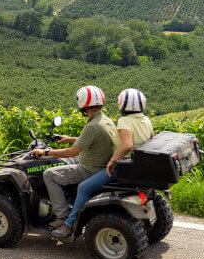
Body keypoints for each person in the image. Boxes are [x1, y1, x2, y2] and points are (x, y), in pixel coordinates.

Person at [49, 88, 154, 237]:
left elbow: (127, 144)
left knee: (84, 188)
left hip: (121, 166)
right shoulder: (145, 120)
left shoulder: (124, 121)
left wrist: (112, 160)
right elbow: (147, 139)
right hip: (136, 165)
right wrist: (73, 139)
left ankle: (68, 224)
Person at [31, 85, 119, 234]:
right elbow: (93, 140)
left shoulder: (91, 126)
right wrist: (69, 139)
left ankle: (62, 217)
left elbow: (71, 152)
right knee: (65, 164)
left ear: (83, 104)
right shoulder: (106, 120)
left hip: (88, 169)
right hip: (100, 164)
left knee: (49, 174)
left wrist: (45, 152)